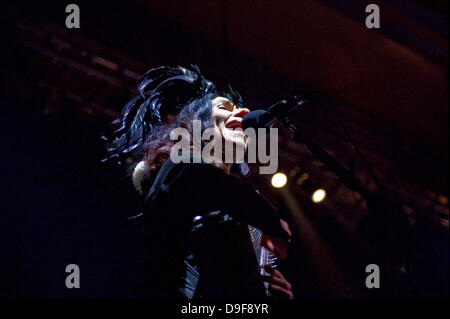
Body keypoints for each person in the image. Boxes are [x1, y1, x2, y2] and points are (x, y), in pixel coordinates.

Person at [104, 65, 293, 299]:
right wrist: (269, 219)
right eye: (224, 106)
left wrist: (260, 286)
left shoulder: (233, 199)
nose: (244, 111)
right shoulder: (177, 168)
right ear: (193, 122)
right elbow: (201, 179)